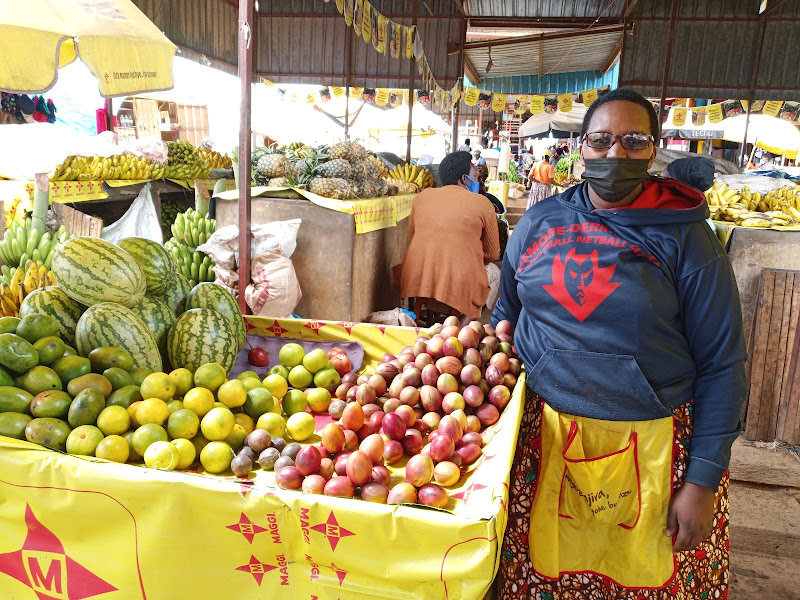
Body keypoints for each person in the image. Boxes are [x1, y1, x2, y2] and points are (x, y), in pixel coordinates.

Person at [492, 87, 747, 600]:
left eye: (633, 141)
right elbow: (506, 311)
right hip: (547, 445)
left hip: (656, 453)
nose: (616, 154)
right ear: (581, 147)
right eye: (602, 140)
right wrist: (504, 336)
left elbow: (724, 364)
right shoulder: (540, 223)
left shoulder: (687, 240)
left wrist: (700, 481)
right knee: (545, 577)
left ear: (653, 150)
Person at [393, 151, 500, 321]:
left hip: (418, 274)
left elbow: (413, 237)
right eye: (475, 174)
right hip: (457, 281)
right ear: (465, 179)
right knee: (495, 274)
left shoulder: (422, 197)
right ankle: (462, 328)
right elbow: (491, 254)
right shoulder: (482, 203)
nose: (478, 177)